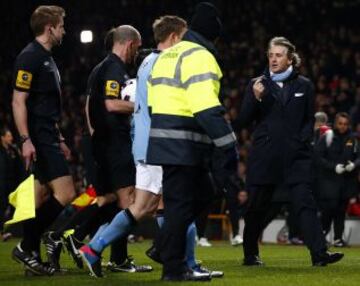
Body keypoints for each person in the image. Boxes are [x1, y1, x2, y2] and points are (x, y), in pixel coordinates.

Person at [146, 2, 238, 281]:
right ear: (213, 37)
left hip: (166, 139)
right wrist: (228, 143)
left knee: (200, 196)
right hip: (184, 144)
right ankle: (171, 268)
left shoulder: (166, 55)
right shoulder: (201, 57)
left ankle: (164, 251)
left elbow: (152, 104)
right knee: (182, 206)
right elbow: (205, 107)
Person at [238, 36, 344, 266]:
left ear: (290, 59)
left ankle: (319, 254)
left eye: (279, 55)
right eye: (271, 55)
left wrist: (303, 140)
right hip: (265, 156)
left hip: (296, 157)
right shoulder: (257, 84)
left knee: (305, 203)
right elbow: (243, 120)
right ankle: (250, 253)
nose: (273, 59)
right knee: (257, 207)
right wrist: (255, 99)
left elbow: (309, 119)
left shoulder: (304, 84)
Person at [11, 5, 76, 275]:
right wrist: (26, 139)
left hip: (48, 134)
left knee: (37, 199)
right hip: (39, 136)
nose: (64, 30)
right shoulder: (30, 57)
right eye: (61, 25)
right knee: (67, 193)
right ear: (50, 28)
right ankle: (26, 246)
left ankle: (32, 260)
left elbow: (46, 105)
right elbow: (18, 100)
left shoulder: (45, 58)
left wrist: (59, 136)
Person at [315, 112, 360, 247]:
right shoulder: (328, 137)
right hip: (329, 180)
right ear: (335, 123)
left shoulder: (354, 139)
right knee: (328, 209)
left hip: (346, 181)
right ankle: (322, 235)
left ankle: (338, 238)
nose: (343, 126)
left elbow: (358, 156)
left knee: (341, 210)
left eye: (345, 124)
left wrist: (354, 164)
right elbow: (318, 158)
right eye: (340, 123)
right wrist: (333, 167)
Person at [0, 127, 25, 241]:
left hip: (12, 184)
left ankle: (6, 231)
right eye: (9, 136)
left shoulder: (13, 150)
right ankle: (1, 233)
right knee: (2, 207)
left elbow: (19, 167)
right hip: (2, 184)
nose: (11, 138)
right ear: (3, 137)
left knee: (13, 209)